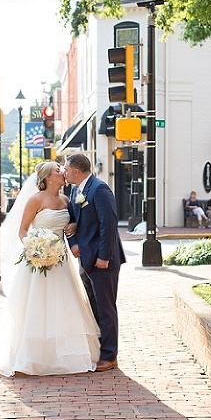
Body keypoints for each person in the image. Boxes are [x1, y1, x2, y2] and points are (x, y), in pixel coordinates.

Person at [0, 161, 100, 377]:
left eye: (62, 169)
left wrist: (73, 226)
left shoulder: (66, 199)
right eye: (58, 170)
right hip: (37, 262)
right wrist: (35, 248)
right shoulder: (36, 200)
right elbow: (22, 230)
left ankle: (65, 356)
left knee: (63, 305)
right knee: (37, 306)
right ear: (48, 178)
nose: (63, 172)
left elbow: (73, 223)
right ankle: (33, 357)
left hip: (61, 262)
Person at [63, 153, 126, 372]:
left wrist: (104, 257)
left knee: (106, 309)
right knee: (95, 308)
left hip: (102, 260)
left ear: (76, 171)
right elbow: (71, 220)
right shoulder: (74, 191)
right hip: (85, 260)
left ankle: (110, 357)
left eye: (66, 168)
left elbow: (108, 224)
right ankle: (100, 351)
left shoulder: (99, 189)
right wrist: (73, 242)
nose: (64, 171)